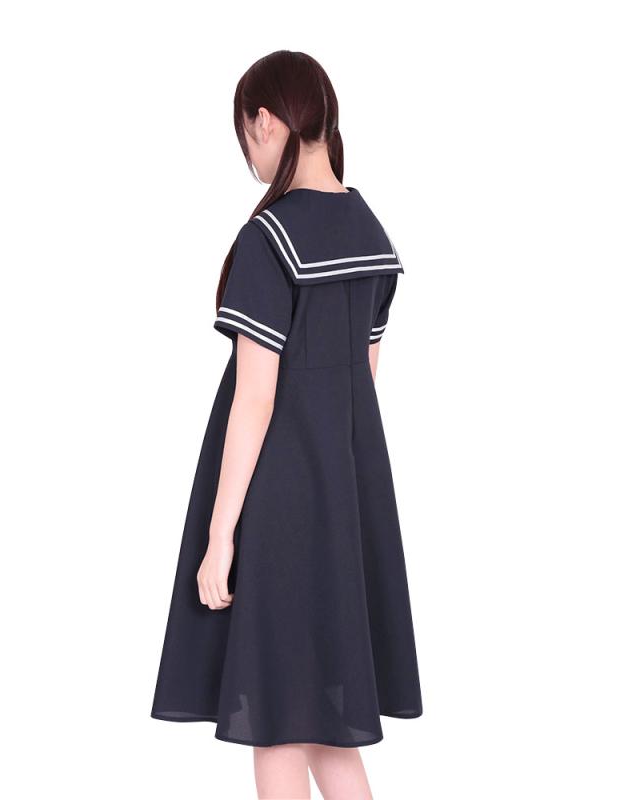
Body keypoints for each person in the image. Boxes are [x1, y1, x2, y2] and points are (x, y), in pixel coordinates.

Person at [151, 50, 423, 800]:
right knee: (326, 727)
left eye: (246, 135)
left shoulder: (271, 238)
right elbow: (363, 381)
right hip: (344, 502)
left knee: (272, 720)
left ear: (266, 121)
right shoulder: (371, 232)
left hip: (278, 507)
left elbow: (255, 398)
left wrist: (220, 536)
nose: (250, 154)